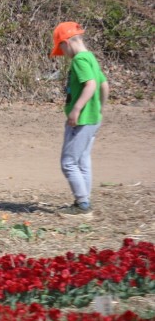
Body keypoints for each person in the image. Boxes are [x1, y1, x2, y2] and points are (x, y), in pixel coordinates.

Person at [50, 21, 109, 218]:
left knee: (68, 162)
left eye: (61, 48)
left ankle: (82, 204)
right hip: (93, 118)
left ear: (67, 42)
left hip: (82, 120)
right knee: (83, 160)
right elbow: (104, 85)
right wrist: (99, 108)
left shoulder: (79, 61)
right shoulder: (91, 58)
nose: (63, 53)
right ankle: (84, 200)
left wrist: (76, 109)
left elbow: (91, 85)